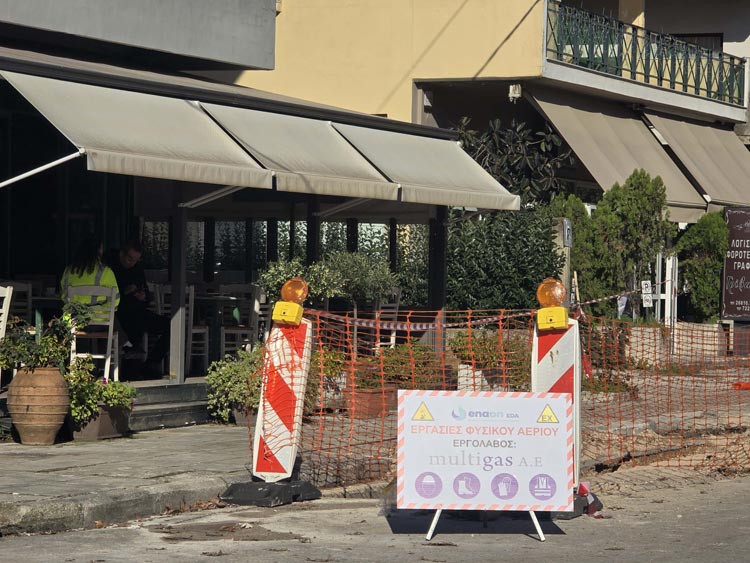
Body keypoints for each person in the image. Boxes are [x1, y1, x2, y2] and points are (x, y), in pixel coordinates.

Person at [104, 239, 169, 375]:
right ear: (121, 254)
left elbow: (146, 293)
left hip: (138, 312)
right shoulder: (109, 269)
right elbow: (106, 296)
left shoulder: (137, 269)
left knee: (171, 326)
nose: (132, 263)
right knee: (130, 328)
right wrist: (124, 292)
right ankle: (130, 368)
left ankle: (151, 363)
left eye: (135, 260)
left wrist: (143, 296)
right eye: (129, 259)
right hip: (119, 314)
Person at [61, 235, 120, 309]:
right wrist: (102, 310)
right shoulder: (106, 272)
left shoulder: (68, 271)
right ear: (99, 251)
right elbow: (115, 300)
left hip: (74, 315)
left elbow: (64, 296)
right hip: (100, 316)